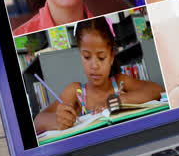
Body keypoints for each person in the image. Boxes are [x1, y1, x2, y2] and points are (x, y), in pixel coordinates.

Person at [33, 17, 164, 133]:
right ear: (80, 55)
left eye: (101, 58)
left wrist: (123, 101)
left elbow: (157, 90)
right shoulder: (76, 92)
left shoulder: (120, 83)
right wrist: (57, 120)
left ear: (112, 57)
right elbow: (37, 122)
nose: (94, 66)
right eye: (86, 57)